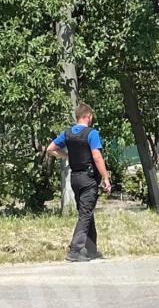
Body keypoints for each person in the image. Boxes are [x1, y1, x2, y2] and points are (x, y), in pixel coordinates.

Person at [46, 103, 112, 262]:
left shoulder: (67, 133)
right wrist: (106, 177)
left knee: (86, 211)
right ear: (88, 116)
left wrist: (66, 156)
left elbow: (50, 148)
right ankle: (75, 250)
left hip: (75, 178)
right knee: (85, 214)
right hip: (89, 178)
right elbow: (97, 156)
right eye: (91, 117)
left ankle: (91, 250)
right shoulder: (92, 133)